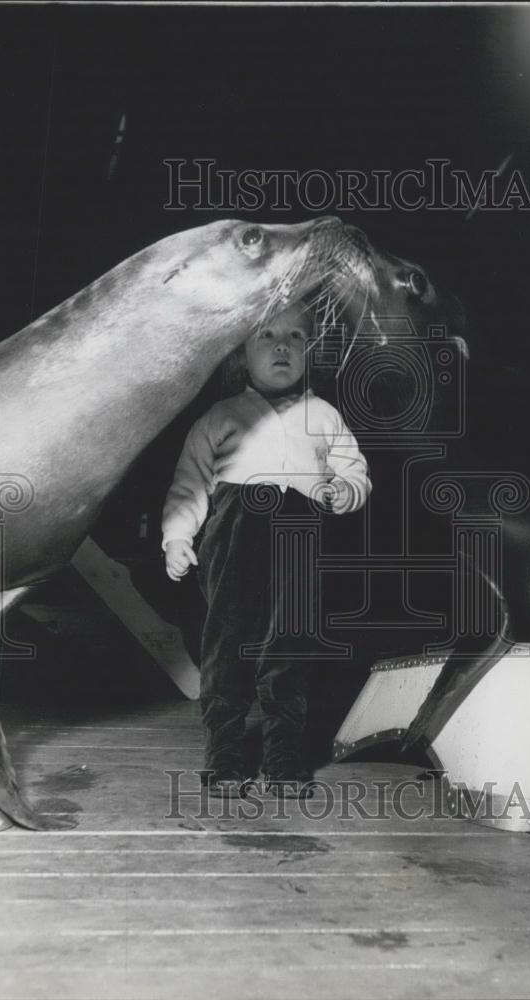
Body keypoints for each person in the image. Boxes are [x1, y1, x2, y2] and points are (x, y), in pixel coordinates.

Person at [161, 302, 371, 798]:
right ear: (240, 357)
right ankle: (226, 754)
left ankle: (283, 757)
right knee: (227, 645)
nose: (282, 345)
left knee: (291, 649)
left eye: (295, 337)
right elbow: (189, 485)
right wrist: (176, 537)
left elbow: (355, 470)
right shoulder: (221, 416)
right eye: (267, 336)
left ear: (309, 352)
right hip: (234, 539)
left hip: (300, 540)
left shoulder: (323, 415)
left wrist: (346, 491)